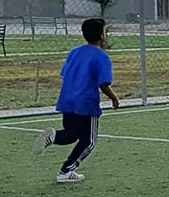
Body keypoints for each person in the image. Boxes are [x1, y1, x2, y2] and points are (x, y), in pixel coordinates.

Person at [34, 16, 120, 182]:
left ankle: (52, 138)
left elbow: (65, 74)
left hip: (67, 99)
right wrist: (114, 99)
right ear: (102, 36)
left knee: (71, 134)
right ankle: (66, 171)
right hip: (86, 102)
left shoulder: (74, 52)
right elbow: (103, 84)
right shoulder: (102, 57)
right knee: (89, 141)